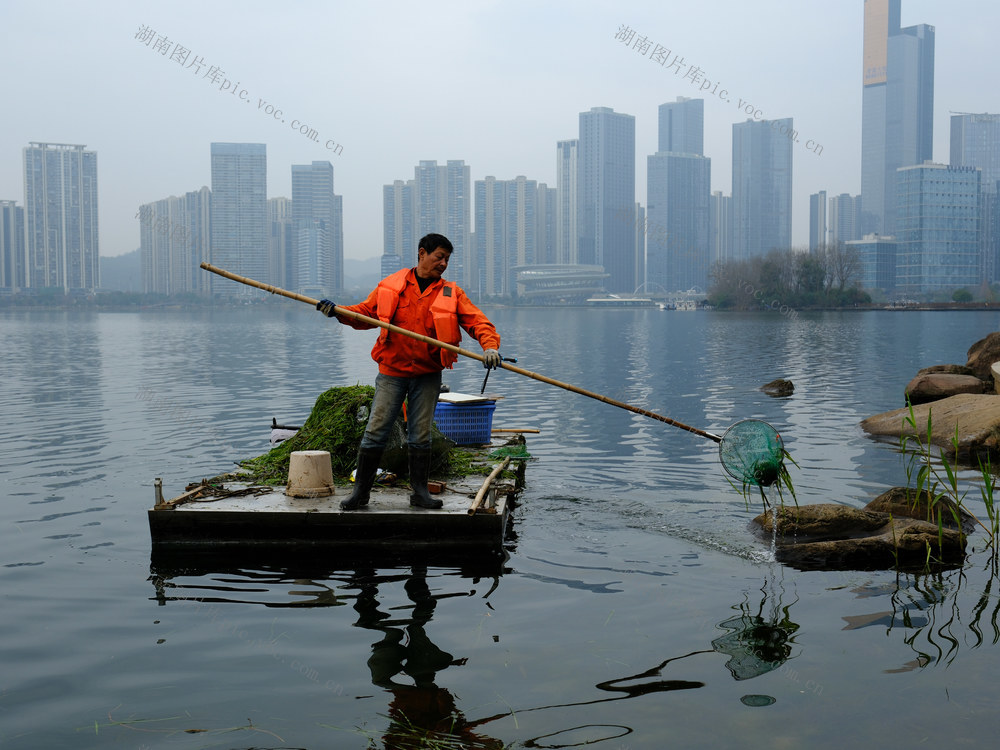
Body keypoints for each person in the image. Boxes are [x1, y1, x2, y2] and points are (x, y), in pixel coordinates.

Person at [317, 233, 501, 510]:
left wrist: (489, 347)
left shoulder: (452, 294)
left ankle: (419, 494)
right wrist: (337, 311)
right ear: (421, 253)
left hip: (427, 375)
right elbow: (365, 313)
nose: (443, 264)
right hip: (392, 372)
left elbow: (479, 323)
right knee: (376, 431)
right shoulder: (391, 285)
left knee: (421, 434)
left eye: (447, 260)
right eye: (439, 257)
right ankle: (360, 494)